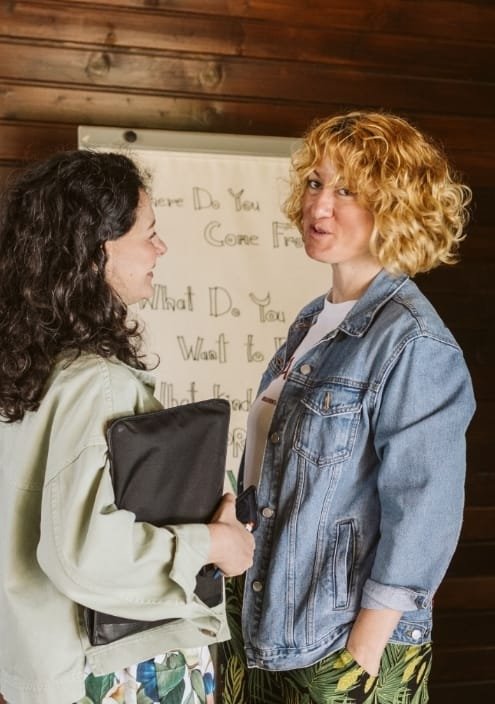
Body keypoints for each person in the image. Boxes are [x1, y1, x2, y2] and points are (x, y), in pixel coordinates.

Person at [220, 111, 476, 703]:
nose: (320, 207)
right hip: (265, 618)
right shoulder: (313, 320)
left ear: (396, 207)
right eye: (315, 183)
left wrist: (360, 657)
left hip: (338, 644)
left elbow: (425, 513)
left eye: (347, 190)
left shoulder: (415, 342)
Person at [0, 149, 254, 704]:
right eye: (149, 233)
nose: (159, 248)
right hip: (108, 673)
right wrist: (215, 542)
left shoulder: (23, 369)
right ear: (96, 252)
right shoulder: (96, 383)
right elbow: (83, 553)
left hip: (32, 662)